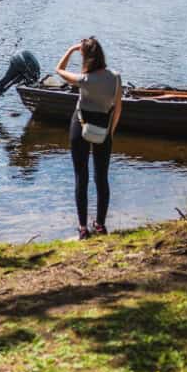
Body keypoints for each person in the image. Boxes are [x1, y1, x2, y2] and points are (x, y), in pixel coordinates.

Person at [55, 36, 122, 241]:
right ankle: (100, 225)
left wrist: (71, 49)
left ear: (86, 57)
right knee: (101, 177)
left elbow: (58, 70)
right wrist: (111, 132)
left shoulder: (84, 79)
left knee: (80, 176)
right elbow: (118, 108)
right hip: (104, 127)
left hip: (81, 125)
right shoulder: (115, 77)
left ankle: (83, 228)